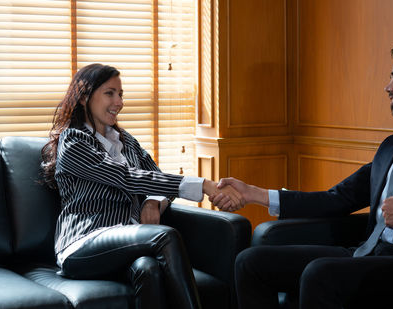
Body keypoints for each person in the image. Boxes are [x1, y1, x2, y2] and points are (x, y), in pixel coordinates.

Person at [210, 42, 393, 308]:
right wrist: (254, 194)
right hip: (367, 253)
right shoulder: (392, 146)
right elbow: (338, 198)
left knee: (320, 273)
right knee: (250, 262)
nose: (388, 87)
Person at [41, 63, 242, 309]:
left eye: (121, 94)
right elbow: (125, 176)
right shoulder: (74, 141)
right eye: (110, 93)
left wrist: (152, 201)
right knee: (164, 236)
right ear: (84, 97)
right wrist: (203, 185)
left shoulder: (127, 142)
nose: (119, 102)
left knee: (148, 269)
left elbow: (157, 179)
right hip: (83, 243)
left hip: (126, 245)